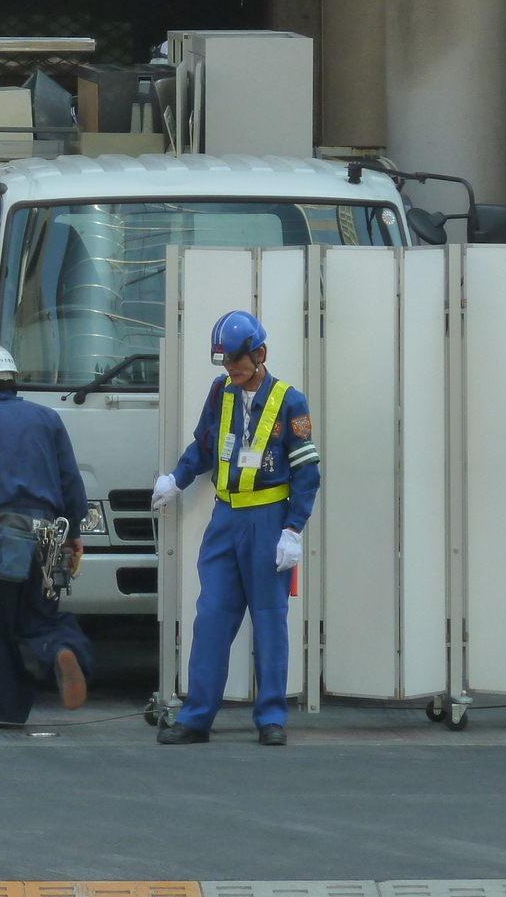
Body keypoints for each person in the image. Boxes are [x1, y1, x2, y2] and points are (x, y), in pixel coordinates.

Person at [151, 310, 320, 747]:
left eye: (238, 361)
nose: (232, 370)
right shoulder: (220, 392)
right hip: (225, 520)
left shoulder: (289, 401)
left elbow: (307, 471)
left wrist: (294, 529)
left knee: (269, 620)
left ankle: (270, 719)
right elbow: (204, 447)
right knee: (211, 618)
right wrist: (177, 479)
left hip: (268, 519)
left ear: (259, 353)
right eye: (226, 363)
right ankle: (196, 718)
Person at [0, 344, 92, 727]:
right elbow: (71, 481)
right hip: (46, 538)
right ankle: (62, 647)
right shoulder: (47, 418)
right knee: (41, 615)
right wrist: (73, 532)